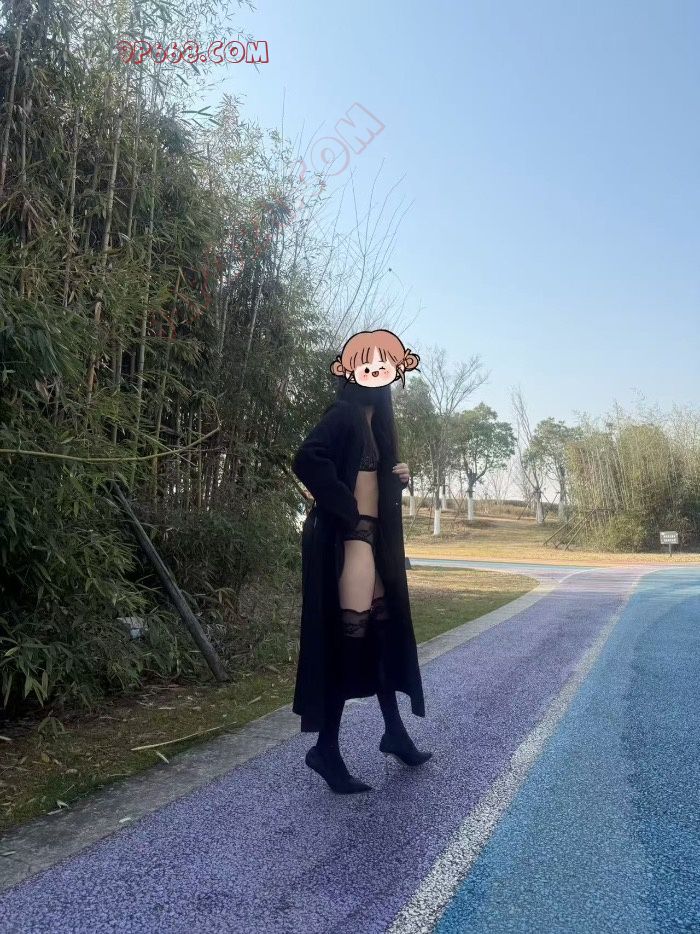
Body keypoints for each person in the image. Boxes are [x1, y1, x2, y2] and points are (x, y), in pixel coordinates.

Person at [291, 329, 432, 794]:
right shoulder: (345, 414)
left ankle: (393, 733)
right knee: (347, 644)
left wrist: (399, 478)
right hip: (350, 542)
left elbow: (372, 486)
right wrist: (345, 508)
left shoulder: (376, 424)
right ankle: (326, 749)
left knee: (381, 636)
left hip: (370, 544)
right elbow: (307, 459)